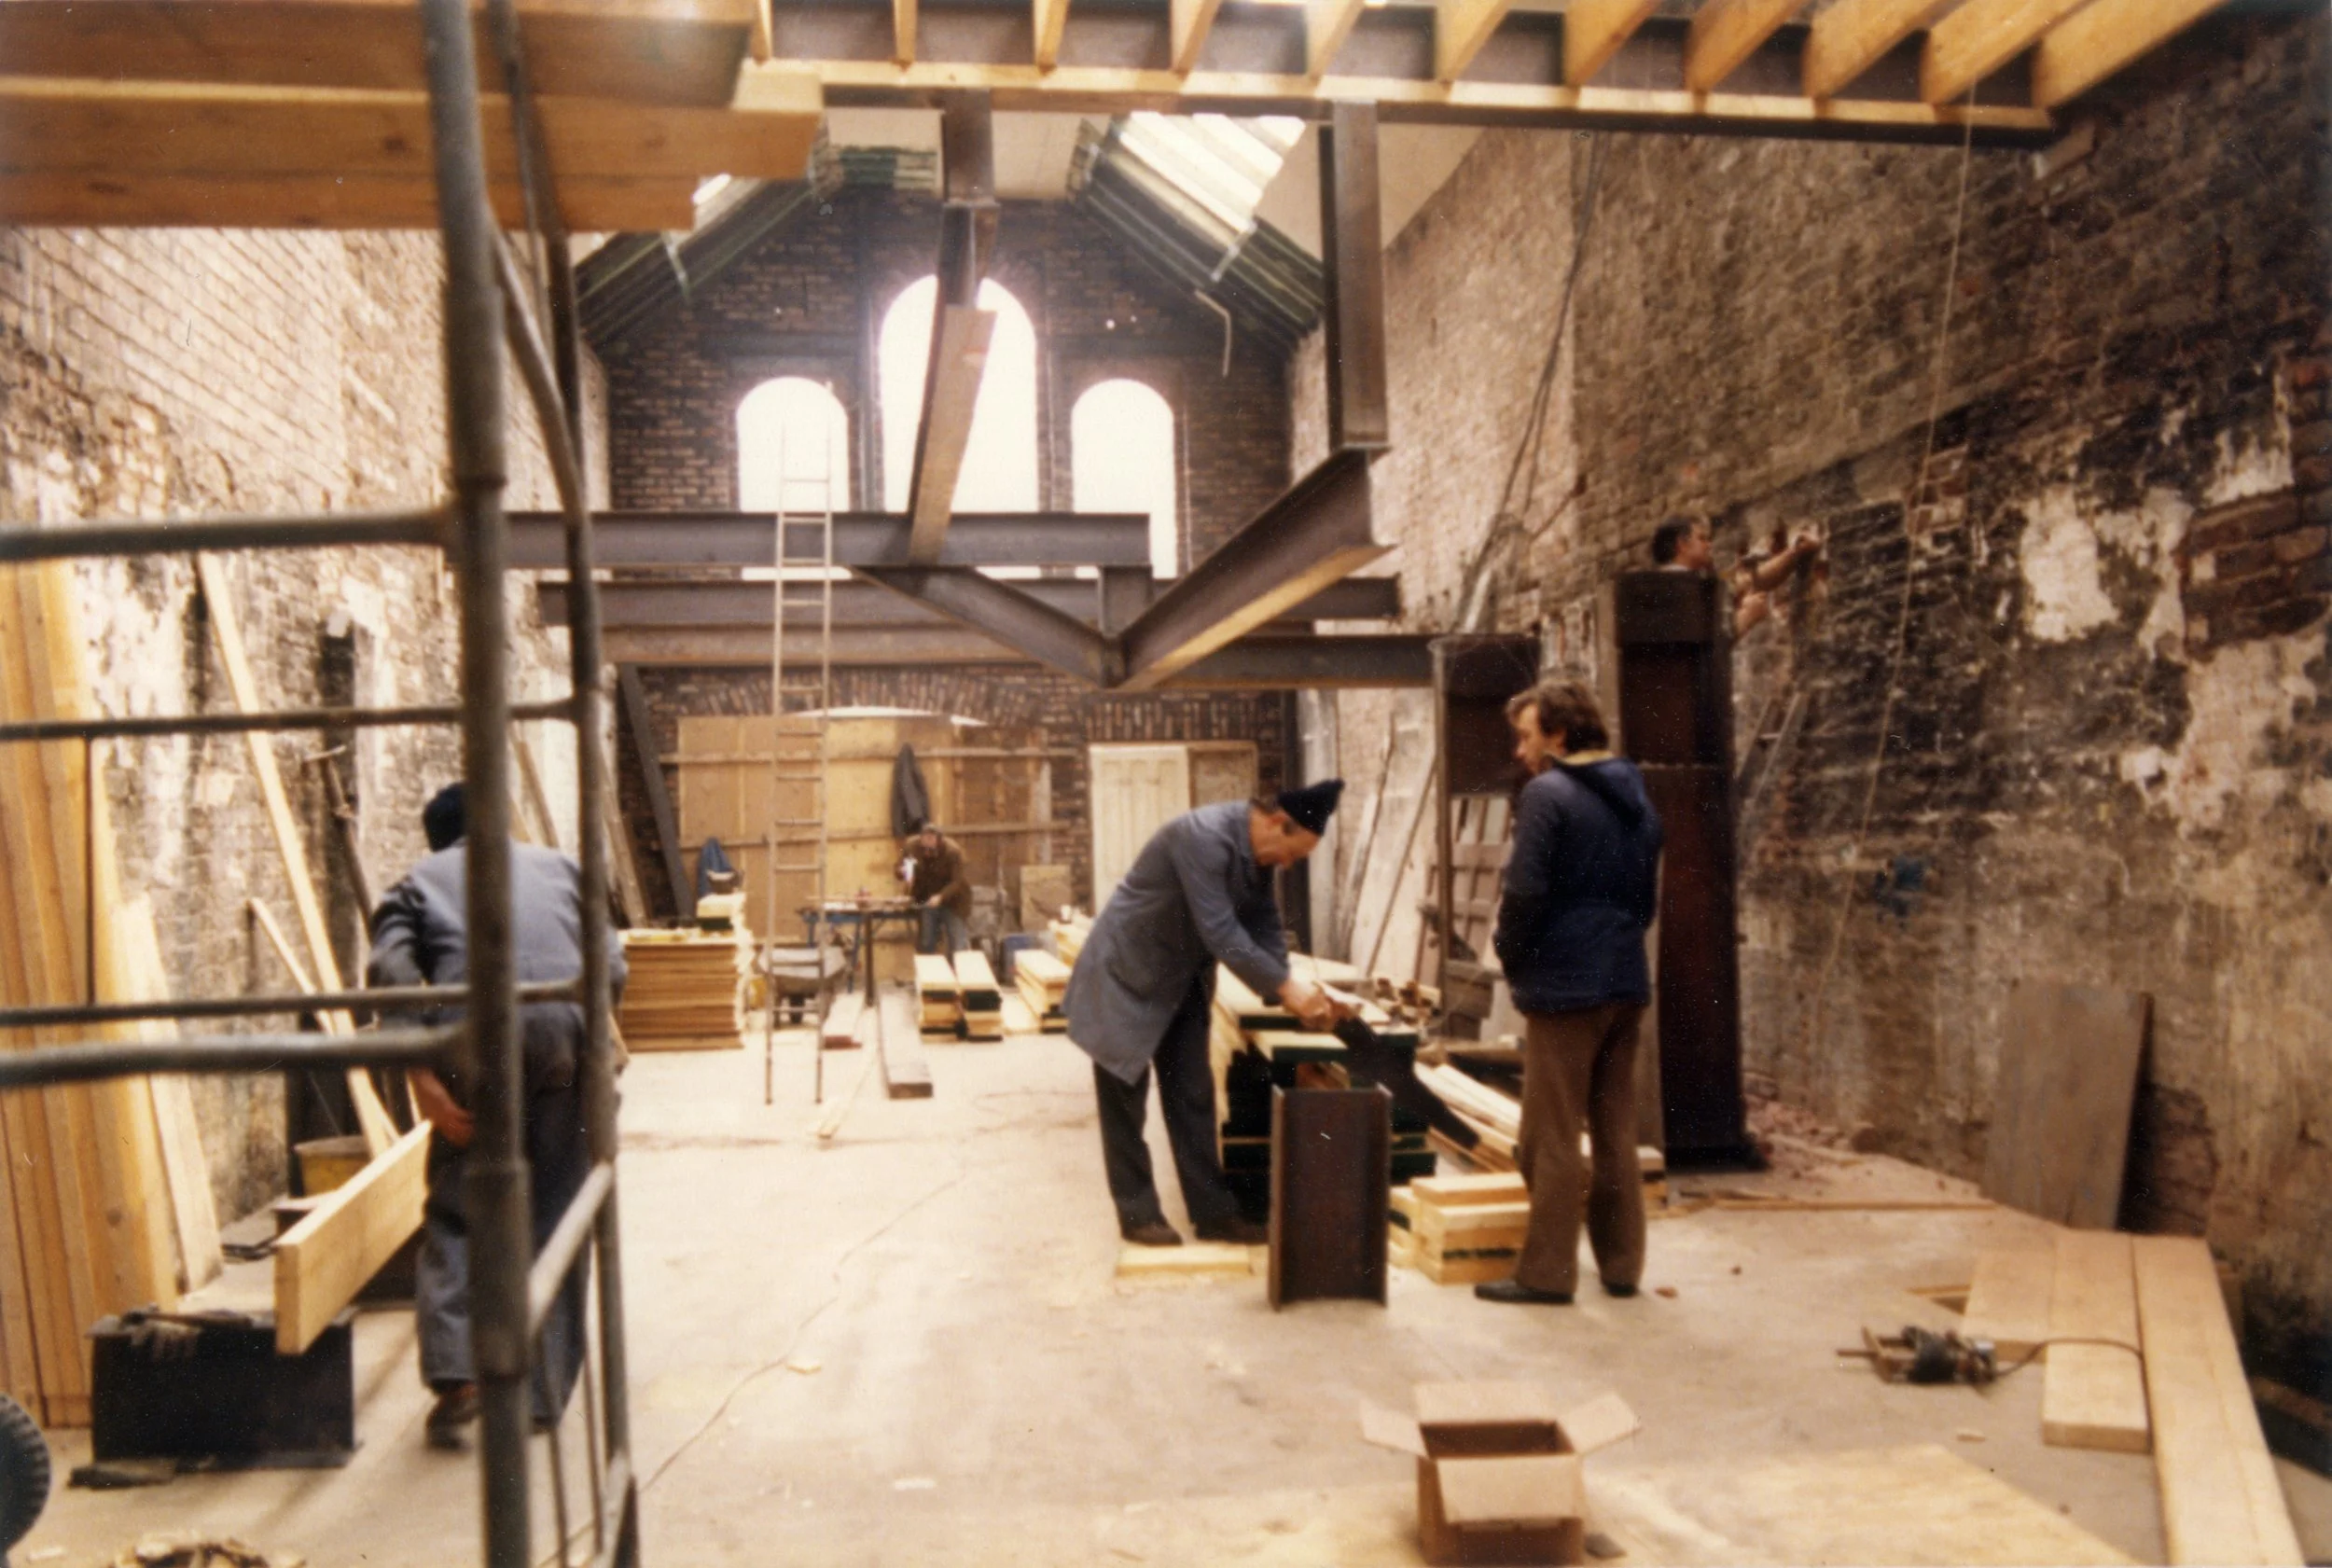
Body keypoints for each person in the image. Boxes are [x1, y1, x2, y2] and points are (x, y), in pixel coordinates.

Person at [368, 784, 625, 1450]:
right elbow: (614, 960)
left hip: (474, 1040)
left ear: (439, 837)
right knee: (559, 1213)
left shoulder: (420, 880)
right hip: (565, 1034)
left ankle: (457, 1377)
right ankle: (540, 1396)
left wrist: (421, 1076)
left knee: (460, 1207)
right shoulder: (563, 867)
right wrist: (590, 1042)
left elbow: (388, 970)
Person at [1063, 782, 1344, 1247]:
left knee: (1193, 1092)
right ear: (1276, 821)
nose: (1288, 863)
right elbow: (1220, 928)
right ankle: (1138, 1213)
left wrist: (1290, 991)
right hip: (1127, 972)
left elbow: (1263, 923)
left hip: (1183, 979)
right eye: (1292, 853)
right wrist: (1287, 990)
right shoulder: (1202, 836)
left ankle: (1214, 1214)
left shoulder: (1258, 855)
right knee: (1124, 1097)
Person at [1478, 683, 1663, 1306]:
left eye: (1528, 735)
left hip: (1565, 987)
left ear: (1559, 735)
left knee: (1549, 1134)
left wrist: (1511, 952)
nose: (1521, 748)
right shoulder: (1635, 792)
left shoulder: (1547, 794)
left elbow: (1525, 892)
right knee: (1613, 1128)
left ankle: (1546, 1272)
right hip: (1624, 980)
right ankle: (1621, 1265)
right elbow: (1644, 900)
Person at [1650, 514, 1820, 638]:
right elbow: (1696, 649)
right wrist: (1745, 619)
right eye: (1702, 539)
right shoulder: (1665, 591)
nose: (1709, 545)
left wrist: (1796, 552)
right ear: (1682, 544)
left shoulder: (1700, 584)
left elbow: (1753, 580)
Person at [902, 819, 972, 955]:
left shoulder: (952, 852)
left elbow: (957, 881)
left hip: (954, 901)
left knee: (957, 945)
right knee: (926, 943)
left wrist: (941, 897)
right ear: (920, 838)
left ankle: (958, 973)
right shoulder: (911, 847)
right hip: (928, 900)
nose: (927, 849)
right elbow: (900, 869)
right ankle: (930, 974)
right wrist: (903, 872)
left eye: (931, 841)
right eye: (925, 841)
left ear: (939, 841)